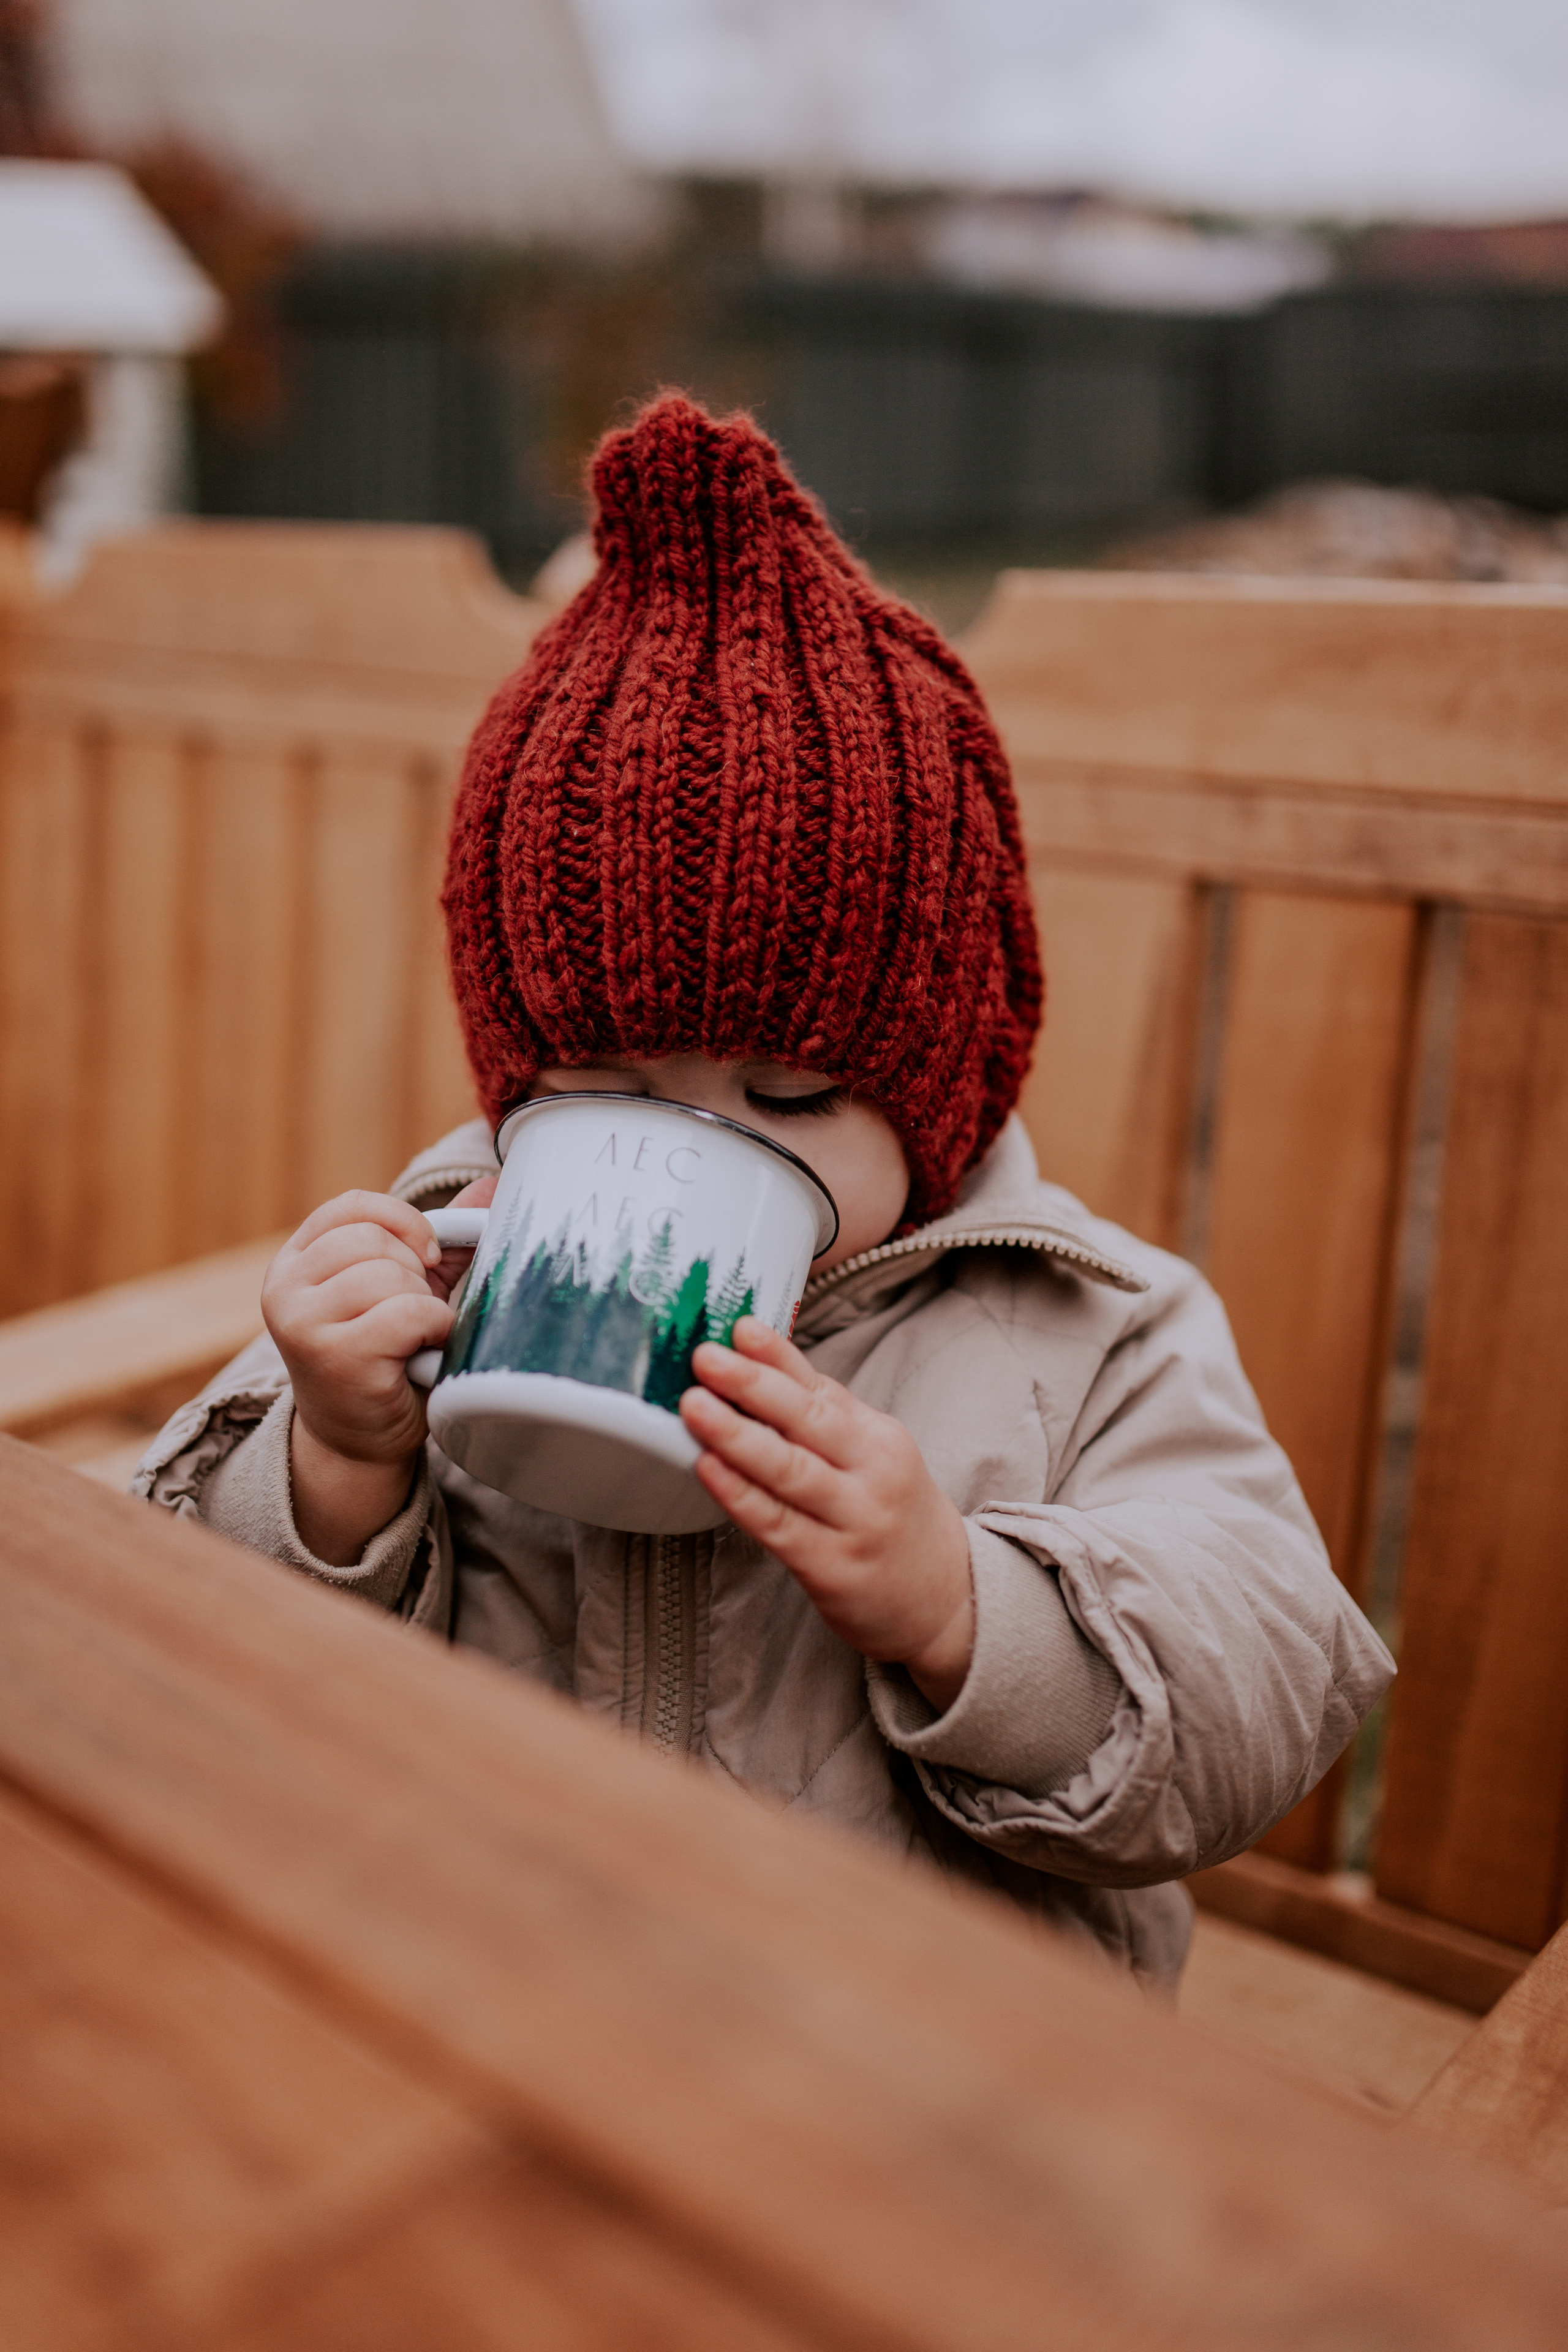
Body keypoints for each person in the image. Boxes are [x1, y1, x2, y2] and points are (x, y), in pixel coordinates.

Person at [136, 393, 1393, 1989]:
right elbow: (194, 1641)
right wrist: (332, 1458)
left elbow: (1265, 1691)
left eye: (789, 1098)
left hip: (925, 2053)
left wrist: (960, 1605)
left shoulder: (1083, 1324)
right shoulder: (443, 1264)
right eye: (599, 1087)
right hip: (491, 1990)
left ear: (940, 1088)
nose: (694, 1146)